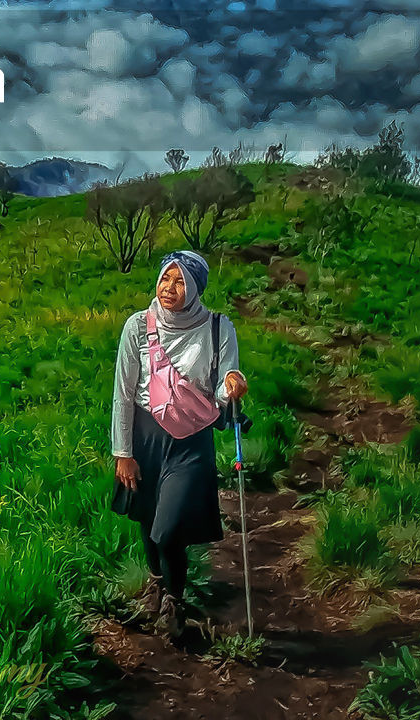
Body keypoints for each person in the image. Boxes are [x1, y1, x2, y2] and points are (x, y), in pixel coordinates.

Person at [109, 249, 248, 640]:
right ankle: (159, 583)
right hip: (144, 434)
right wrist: (123, 451)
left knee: (167, 529)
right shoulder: (138, 325)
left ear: (196, 287)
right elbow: (123, 393)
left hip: (191, 440)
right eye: (165, 279)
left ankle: (174, 601)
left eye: (180, 280)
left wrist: (233, 385)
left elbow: (225, 382)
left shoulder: (219, 327)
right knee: (146, 515)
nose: (169, 288)